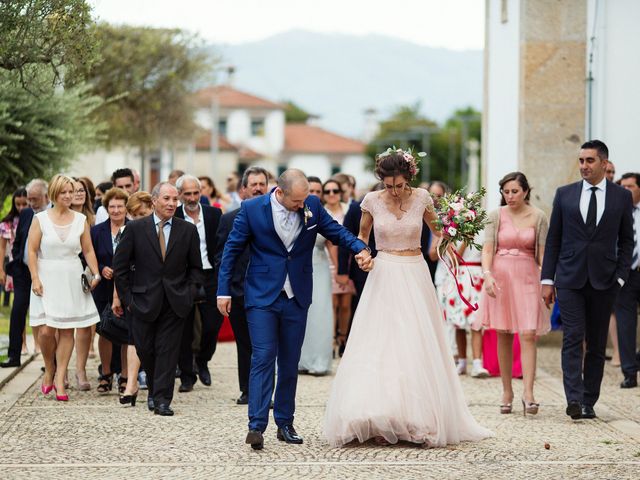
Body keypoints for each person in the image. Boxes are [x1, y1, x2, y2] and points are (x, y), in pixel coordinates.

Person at [323, 149, 493, 448]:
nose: (395, 191)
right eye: (389, 185)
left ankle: (419, 417)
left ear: (409, 178)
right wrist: (362, 254)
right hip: (384, 272)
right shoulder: (372, 201)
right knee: (381, 342)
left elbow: (439, 230)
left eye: (399, 185)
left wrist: (456, 227)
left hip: (414, 273)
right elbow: (362, 236)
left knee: (414, 342)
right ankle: (377, 414)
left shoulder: (423, 198)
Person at [217, 169, 373, 450]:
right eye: (297, 201)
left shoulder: (311, 204)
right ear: (280, 191)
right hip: (262, 294)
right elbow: (231, 250)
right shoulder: (252, 209)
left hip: (296, 295)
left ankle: (285, 423)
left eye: (305, 200)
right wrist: (223, 290)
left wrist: (360, 247)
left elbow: (335, 231)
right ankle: (256, 425)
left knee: (289, 362)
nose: (303, 206)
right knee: (263, 357)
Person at [541, 140, 634, 420]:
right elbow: (553, 239)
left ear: (604, 163)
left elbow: (627, 242)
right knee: (572, 337)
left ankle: (588, 400)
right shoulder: (565, 194)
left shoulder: (621, 196)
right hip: (569, 278)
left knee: (595, 344)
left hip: (605, 281)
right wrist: (548, 279)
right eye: (581, 160)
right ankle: (574, 398)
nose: (584, 166)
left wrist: (620, 278)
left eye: (590, 161)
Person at [113, 182, 203, 416]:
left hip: (176, 302)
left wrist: (189, 293)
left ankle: (162, 399)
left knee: (167, 350)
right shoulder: (135, 229)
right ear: (154, 201)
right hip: (142, 301)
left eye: (175, 199)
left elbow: (196, 268)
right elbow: (120, 268)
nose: (172, 203)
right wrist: (128, 300)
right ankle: (154, 389)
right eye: (166, 199)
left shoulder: (187, 230)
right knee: (145, 349)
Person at [474, 172, 549, 416]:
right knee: (503, 333)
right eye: (506, 192)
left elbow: (542, 254)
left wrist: (549, 280)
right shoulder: (495, 216)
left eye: (514, 191)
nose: (510, 196)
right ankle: (507, 391)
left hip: (528, 277)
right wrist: (486, 274)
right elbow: (487, 249)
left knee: (528, 333)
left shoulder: (539, 216)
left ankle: (529, 392)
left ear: (526, 191)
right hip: (501, 277)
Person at [28, 174, 101, 401]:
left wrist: (96, 273)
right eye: (64, 192)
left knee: (68, 330)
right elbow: (31, 251)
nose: (69, 196)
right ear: (54, 194)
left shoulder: (80, 220)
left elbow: (87, 250)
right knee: (47, 330)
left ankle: (60, 377)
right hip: (46, 276)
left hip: (71, 275)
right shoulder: (40, 219)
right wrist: (35, 278)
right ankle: (50, 368)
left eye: (71, 191)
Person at [214, 166, 269, 404]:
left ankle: (265, 392)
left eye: (262, 184)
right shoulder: (228, 219)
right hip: (239, 291)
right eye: (253, 184)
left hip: (268, 291)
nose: (258, 188)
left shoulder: (277, 217)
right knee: (245, 342)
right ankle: (247, 390)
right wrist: (226, 289)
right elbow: (221, 257)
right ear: (243, 189)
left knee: (266, 345)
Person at [174, 174, 223, 392]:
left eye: (196, 193)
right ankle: (187, 374)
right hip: (184, 276)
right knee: (183, 327)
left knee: (212, 325)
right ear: (180, 195)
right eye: (188, 194)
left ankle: (202, 360)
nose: (193, 198)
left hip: (211, 274)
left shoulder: (214, 214)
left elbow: (221, 244)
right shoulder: (174, 215)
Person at [1, 179, 49, 368]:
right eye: (29, 199)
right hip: (23, 271)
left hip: (45, 272)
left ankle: (49, 360)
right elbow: (20, 238)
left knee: (47, 316)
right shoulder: (27, 213)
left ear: (45, 197)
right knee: (18, 310)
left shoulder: (51, 214)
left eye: (35, 199)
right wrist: (18, 256)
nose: (30, 203)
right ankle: (14, 355)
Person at [113, 192, 154, 404]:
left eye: (144, 214)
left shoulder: (162, 229)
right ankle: (131, 384)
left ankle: (154, 382)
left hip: (157, 291)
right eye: (136, 215)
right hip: (134, 291)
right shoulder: (126, 231)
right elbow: (119, 267)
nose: (140, 218)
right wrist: (118, 297)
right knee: (133, 337)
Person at [91, 188, 129, 394]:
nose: (116, 211)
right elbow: (87, 256)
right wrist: (101, 267)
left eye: (119, 206)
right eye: (112, 207)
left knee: (126, 333)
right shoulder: (97, 231)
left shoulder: (134, 229)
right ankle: (105, 373)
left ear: (126, 208)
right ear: (106, 209)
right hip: (103, 290)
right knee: (104, 331)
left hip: (127, 288)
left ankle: (124, 375)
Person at [441, 236, 490, 378]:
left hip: (476, 275)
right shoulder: (451, 230)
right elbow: (453, 260)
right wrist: (465, 240)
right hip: (459, 274)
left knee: (476, 321)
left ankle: (477, 363)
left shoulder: (482, 230)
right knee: (458, 321)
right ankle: (461, 362)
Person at [298, 176, 333, 376]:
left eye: (318, 191)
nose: (315, 194)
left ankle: (320, 360)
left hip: (319, 267)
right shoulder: (295, 212)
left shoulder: (323, 215)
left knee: (320, 313)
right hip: (298, 269)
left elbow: (331, 243)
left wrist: (339, 273)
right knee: (303, 314)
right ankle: (302, 359)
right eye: (311, 190)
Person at [323, 179, 355, 356]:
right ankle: (332, 338)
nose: (331, 194)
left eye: (334, 190)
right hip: (326, 260)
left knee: (345, 303)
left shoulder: (348, 209)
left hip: (347, 259)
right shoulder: (322, 212)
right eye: (327, 191)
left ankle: (343, 337)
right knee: (332, 303)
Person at [615, 172, 640, 389]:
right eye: (622, 187)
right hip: (625, 274)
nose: (625, 191)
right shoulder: (616, 212)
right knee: (625, 324)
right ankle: (629, 372)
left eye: (630, 187)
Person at [71, 177, 97, 370]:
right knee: (61, 325)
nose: (79, 193)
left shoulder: (94, 218)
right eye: (74, 190)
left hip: (87, 271)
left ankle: (80, 369)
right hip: (67, 269)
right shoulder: (59, 217)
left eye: (82, 190)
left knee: (85, 323)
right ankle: (58, 370)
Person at [0, 189, 28, 351]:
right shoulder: (7, 224)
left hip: (28, 267)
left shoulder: (33, 218)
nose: (21, 207)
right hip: (13, 267)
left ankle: (32, 344)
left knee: (26, 306)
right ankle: (22, 342)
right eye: (18, 204)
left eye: (24, 204)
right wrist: (1, 270)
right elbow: (2, 249)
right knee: (18, 306)